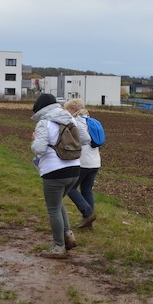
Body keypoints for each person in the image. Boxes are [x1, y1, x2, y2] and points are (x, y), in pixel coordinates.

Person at [31, 94, 90, 259]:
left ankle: (58, 247)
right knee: (58, 204)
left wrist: (34, 140)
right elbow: (86, 139)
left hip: (54, 171)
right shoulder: (70, 119)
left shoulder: (44, 123)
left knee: (53, 208)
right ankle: (68, 236)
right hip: (74, 169)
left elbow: (39, 149)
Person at [63, 98, 100, 229]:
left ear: (73, 109)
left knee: (69, 188)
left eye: (67, 109)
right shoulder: (91, 121)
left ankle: (88, 213)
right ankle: (88, 223)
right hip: (95, 162)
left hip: (82, 162)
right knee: (86, 190)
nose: (65, 112)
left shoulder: (77, 122)